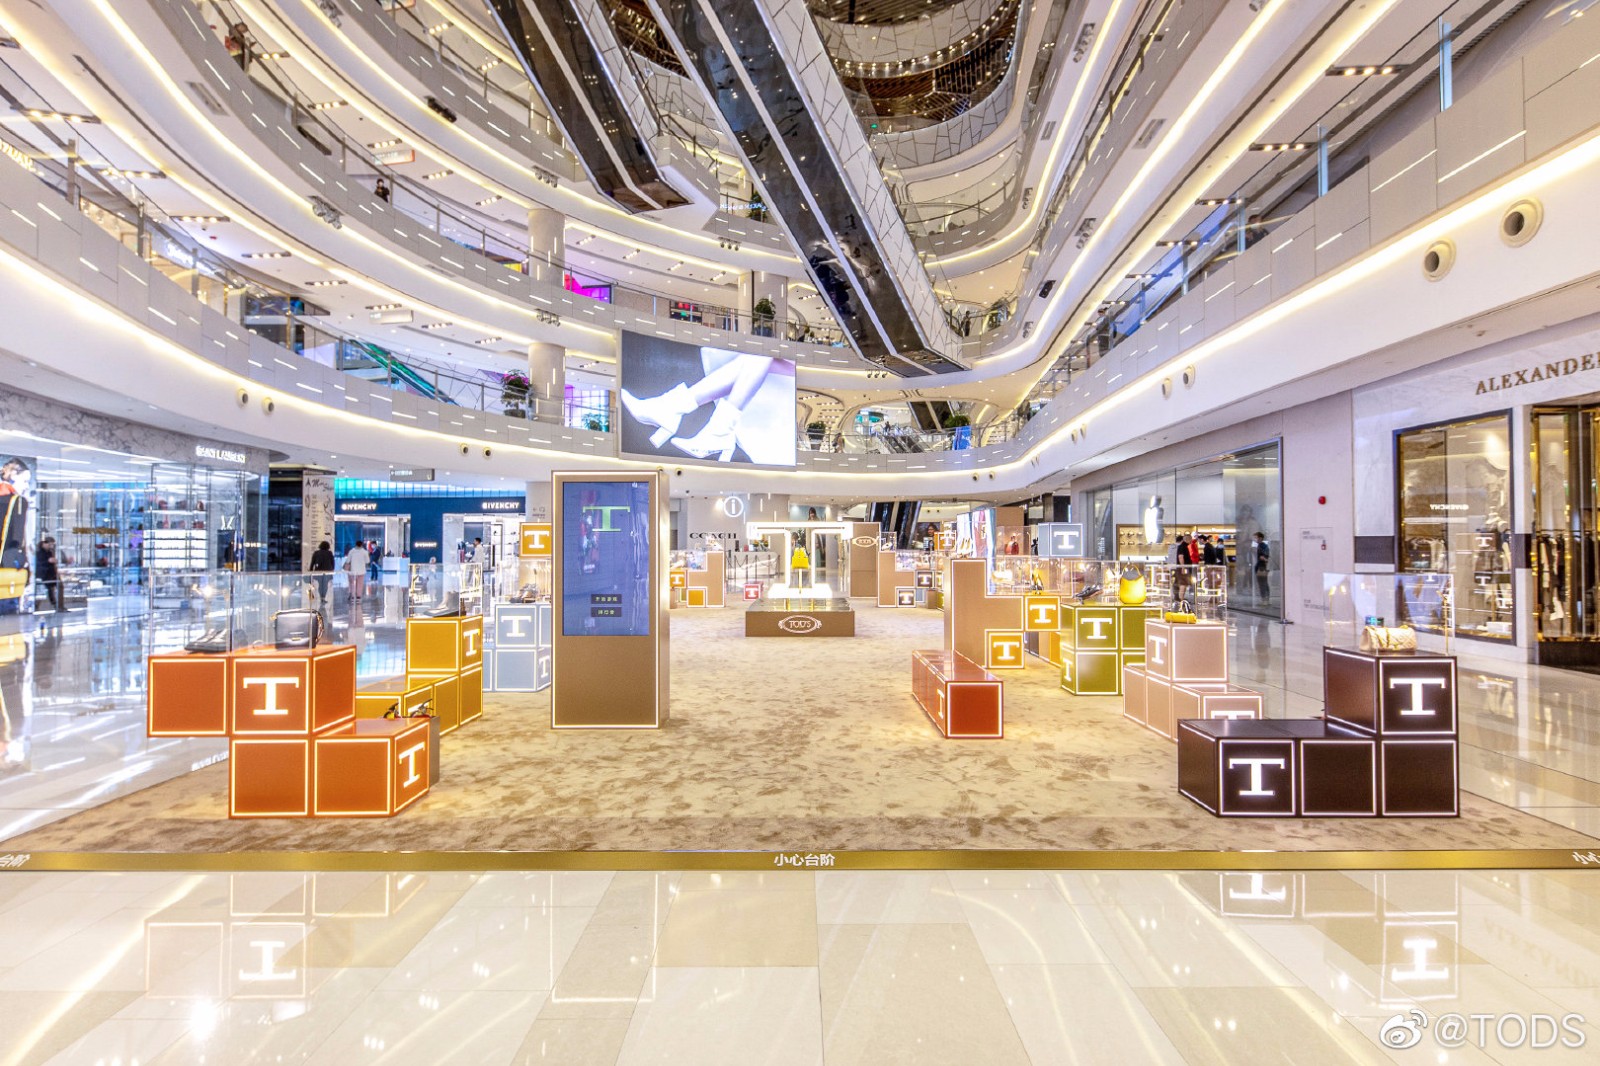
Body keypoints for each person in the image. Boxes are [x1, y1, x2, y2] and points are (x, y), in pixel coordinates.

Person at [35, 537, 60, 611]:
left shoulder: (49, 552)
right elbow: (39, 563)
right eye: (50, 544)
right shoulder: (39, 552)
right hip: (44, 574)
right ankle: (36, 605)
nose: (51, 546)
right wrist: (48, 561)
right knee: (43, 590)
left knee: (51, 589)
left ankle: (55, 604)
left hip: (50, 574)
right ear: (44, 544)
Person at [343, 539, 370, 609]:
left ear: (356, 544)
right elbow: (367, 561)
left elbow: (348, 560)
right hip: (361, 571)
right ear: (361, 545)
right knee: (360, 584)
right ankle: (358, 597)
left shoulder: (351, 551)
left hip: (353, 571)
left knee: (352, 584)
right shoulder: (365, 552)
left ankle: (352, 596)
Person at [308, 539, 335, 608]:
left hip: (318, 571)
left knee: (320, 584)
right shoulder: (329, 553)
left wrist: (311, 570)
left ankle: (321, 597)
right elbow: (332, 562)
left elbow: (312, 562)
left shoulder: (316, 553)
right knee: (325, 585)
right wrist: (332, 569)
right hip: (327, 571)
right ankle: (323, 597)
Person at [1253, 531, 1271, 600]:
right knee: (1263, 583)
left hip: (1261, 567)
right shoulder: (1260, 546)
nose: (1255, 539)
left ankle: (1264, 598)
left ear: (1260, 538)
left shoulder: (1262, 546)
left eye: (1256, 538)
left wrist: (1263, 558)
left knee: (1262, 583)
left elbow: (1265, 557)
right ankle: (1265, 597)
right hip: (1260, 566)